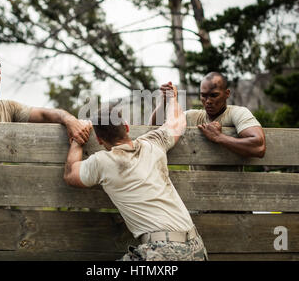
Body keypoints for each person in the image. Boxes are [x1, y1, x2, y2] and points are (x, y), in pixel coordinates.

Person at [63, 84, 208, 261]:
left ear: (100, 140)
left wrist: (78, 139)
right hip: (196, 247)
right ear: (126, 126)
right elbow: (178, 121)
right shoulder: (154, 143)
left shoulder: (102, 162)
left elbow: (71, 174)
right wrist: (172, 98)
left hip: (161, 253)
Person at [150, 72, 266, 159]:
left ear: (227, 94)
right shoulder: (191, 117)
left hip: (231, 188)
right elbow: (153, 130)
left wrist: (219, 137)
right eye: (204, 96)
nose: (208, 101)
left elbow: (259, 147)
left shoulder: (238, 113)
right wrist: (164, 101)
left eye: (214, 95)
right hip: (194, 187)